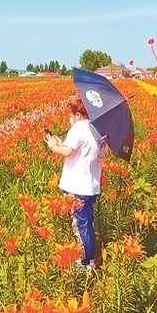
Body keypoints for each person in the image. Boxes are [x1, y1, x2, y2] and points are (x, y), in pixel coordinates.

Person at [45, 97, 104, 271]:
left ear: (78, 114)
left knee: (80, 225)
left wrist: (52, 145)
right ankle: (88, 257)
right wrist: (60, 144)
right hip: (91, 185)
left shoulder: (78, 128)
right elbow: (82, 152)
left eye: (71, 115)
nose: (70, 118)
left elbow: (67, 151)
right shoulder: (97, 128)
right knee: (86, 222)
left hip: (77, 186)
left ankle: (86, 263)